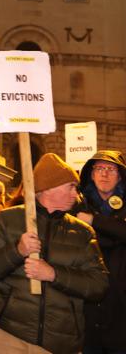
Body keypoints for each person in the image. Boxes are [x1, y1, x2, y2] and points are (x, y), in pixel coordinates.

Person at [0, 153, 109, 354]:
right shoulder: (8, 219)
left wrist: (53, 274)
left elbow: (98, 285)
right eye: (71, 187)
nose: (76, 194)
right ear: (48, 188)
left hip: (61, 342)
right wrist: (17, 250)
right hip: (10, 335)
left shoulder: (82, 232)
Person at [77, 150, 126, 354]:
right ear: (91, 173)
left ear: (120, 175)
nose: (104, 174)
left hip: (121, 299)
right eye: (99, 168)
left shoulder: (87, 213)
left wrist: (93, 221)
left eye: (110, 169)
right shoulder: (79, 202)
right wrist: (114, 232)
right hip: (88, 298)